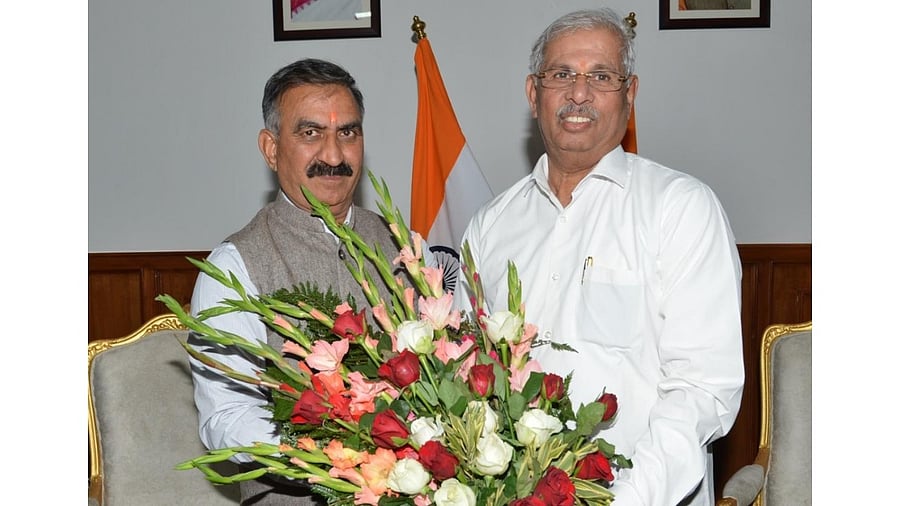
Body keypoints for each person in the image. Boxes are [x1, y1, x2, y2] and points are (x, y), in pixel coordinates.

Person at [456, 8, 744, 506]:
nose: (579, 93)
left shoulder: (679, 208)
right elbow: (466, 375)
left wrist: (624, 499)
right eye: (562, 74)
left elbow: (704, 391)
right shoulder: (490, 226)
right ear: (533, 93)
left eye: (602, 77)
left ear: (629, 94)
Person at [187, 58, 431, 505]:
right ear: (271, 147)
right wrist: (340, 449)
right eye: (310, 133)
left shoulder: (408, 249)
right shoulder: (234, 267)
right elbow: (225, 419)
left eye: (347, 133)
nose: (334, 156)